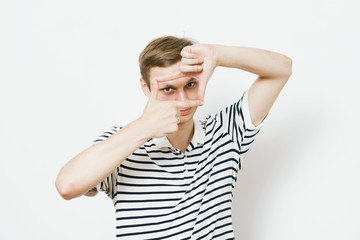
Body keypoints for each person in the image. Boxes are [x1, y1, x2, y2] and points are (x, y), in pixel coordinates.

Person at [56, 35, 292, 239]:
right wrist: (144, 128)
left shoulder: (225, 132)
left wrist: (218, 54)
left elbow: (282, 69)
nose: (182, 100)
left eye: (190, 84)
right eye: (168, 88)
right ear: (146, 88)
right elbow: (67, 185)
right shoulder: (123, 141)